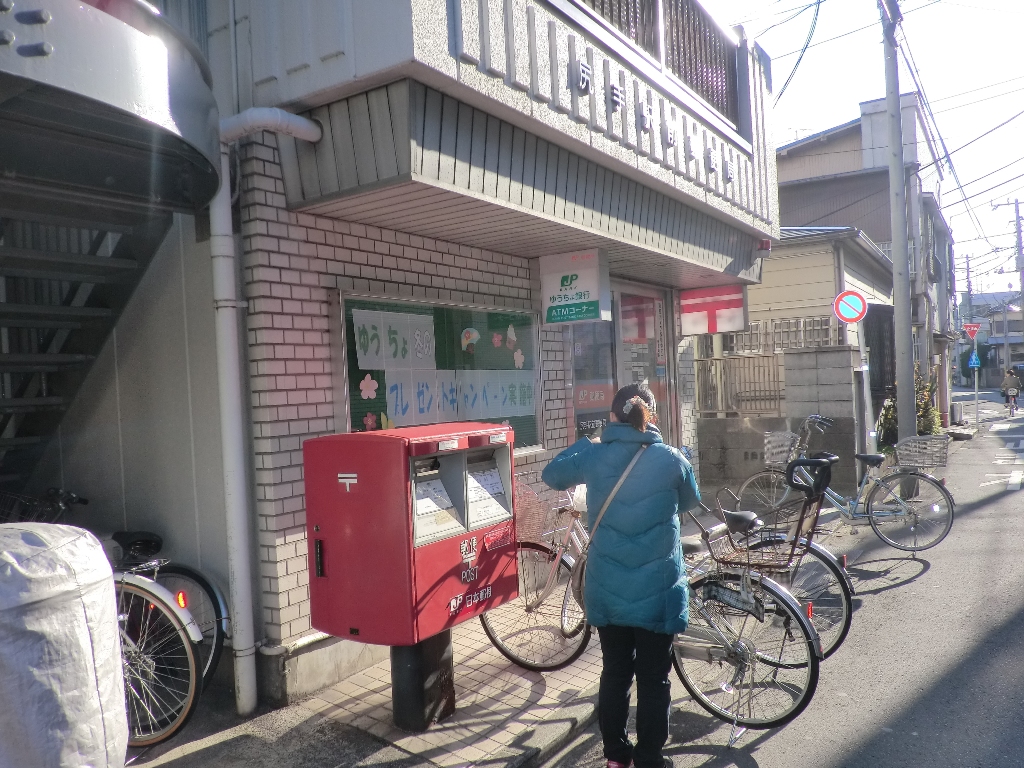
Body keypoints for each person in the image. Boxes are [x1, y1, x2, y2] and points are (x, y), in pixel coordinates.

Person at [542, 384, 699, 768]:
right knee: (654, 679)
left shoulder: (595, 456)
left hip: (608, 588)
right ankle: (649, 758)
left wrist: (592, 441)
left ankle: (615, 756)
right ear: (653, 418)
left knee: (614, 672)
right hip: (657, 589)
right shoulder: (673, 460)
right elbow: (689, 501)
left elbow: (551, 474)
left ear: (613, 416)